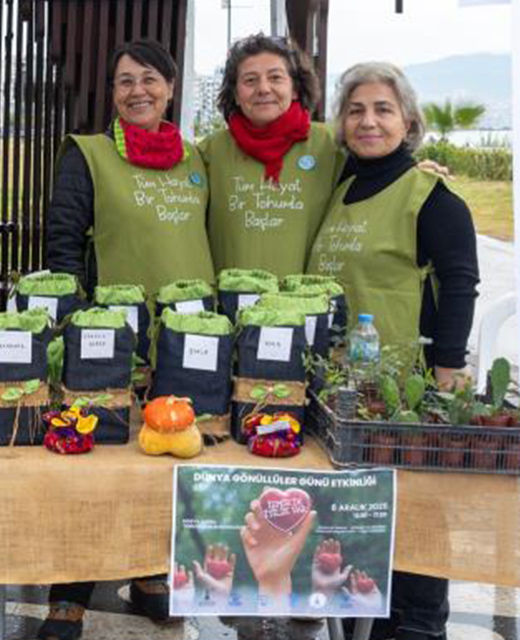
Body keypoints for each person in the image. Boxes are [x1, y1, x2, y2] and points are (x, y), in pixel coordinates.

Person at [40, 39, 211, 638]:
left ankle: (148, 576)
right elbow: (63, 242)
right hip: (108, 341)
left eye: (149, 80)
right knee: (94, 465)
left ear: (169, 87)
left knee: (168, 461)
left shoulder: (198, 158)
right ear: (112, 94)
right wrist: (82, 327)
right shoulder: (87, 154)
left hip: (189, 342)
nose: (137, 91)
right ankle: (71, 592)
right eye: (124, 82)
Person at [308, 61, 480, 640]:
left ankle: (422, 623)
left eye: (382, 109)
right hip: (348, 388)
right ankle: (370, 615)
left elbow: (459, 280)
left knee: (420, 507)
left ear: (408, 121)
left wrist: (448, 367)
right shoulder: (343, 190)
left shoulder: (430, 194)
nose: (368, 121)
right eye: (355, 110)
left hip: (408, 386)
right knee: (369, 510)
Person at [200, 34, 344, 276]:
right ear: (235, 94)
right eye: (250, 80)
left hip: (310, 305)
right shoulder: (210, 153)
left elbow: (377, 180)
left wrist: (416, 171)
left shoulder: (331, 146)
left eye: (276, 78)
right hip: (231, 304)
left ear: (295, 88)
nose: (263, 89)